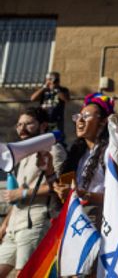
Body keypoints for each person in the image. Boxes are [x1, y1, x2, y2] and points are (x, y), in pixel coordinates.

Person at [0, 107, 65, 277]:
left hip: (35, 221)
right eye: (19, 124)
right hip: (14, 224)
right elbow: (19, 192)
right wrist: (5, 225)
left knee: (26, 274)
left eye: (28, 124)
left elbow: (58, 186)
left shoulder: (54, 150)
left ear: (43, 126)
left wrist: (21, 194)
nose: (21, 128)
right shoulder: (21, 153)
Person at [55, 93, 114, 223]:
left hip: (96, 217)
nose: (79, 120)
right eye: (78, 116)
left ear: (103, 122)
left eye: (86, 116)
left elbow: (116, 196)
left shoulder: (109, 151)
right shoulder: (78, 153)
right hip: (74, 215)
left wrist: (81, 194)